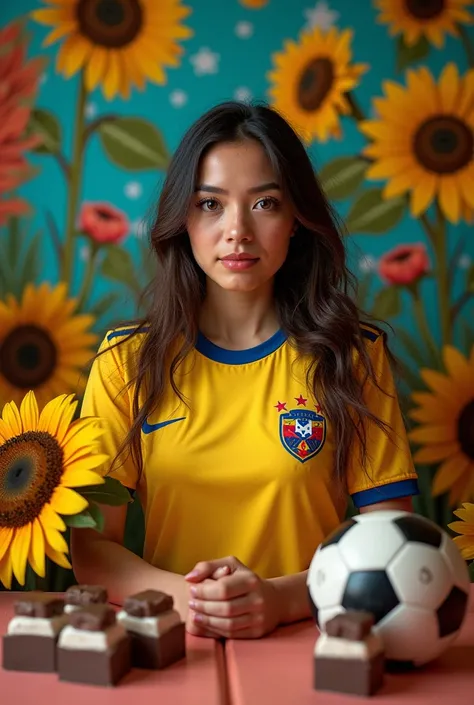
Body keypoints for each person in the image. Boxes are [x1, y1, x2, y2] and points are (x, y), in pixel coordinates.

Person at [72, 101, 418, 641]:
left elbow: (390, 544)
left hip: (320, 639)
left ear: (297, 220)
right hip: (174, 641)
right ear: (181, 220)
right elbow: (93, 549)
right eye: (210, 203)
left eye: (264, 203)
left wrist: (278, 600)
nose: (237, 230)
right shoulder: (125, 364)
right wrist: (195, 601)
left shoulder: (353, 358)